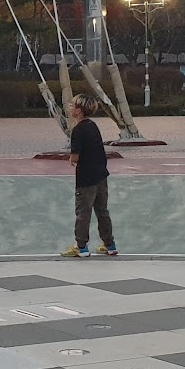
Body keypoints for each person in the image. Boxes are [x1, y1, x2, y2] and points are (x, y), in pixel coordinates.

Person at [61, 94, 116, 258]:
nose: (71, 108)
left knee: (83, 213)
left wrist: (71, 159)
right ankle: (110, 245)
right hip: (101, 175)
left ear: (79, 110)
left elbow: (75, 157)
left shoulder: (78, 130)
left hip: (86, 179)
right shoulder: (93, 126)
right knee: (102, 211)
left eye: (74, 106)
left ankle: (81, 247)